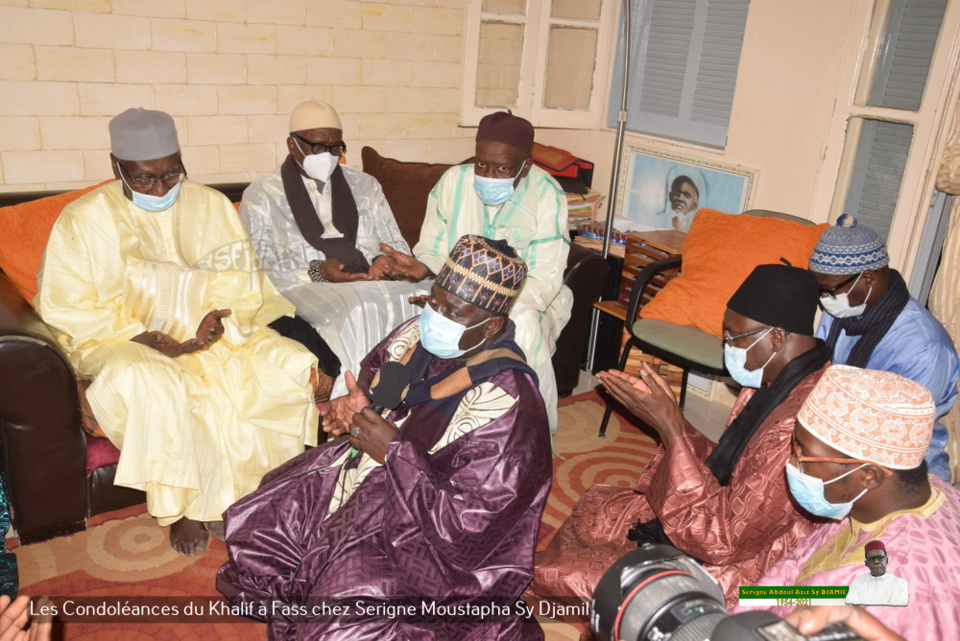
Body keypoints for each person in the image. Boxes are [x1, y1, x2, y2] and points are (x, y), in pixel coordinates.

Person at [217, 235, 553, 640]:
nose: (436, 315)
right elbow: (375, 379)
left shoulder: (508, 403)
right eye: (436, 300)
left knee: (336, 626)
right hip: (369, 471)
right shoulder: (418, 334)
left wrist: (394, 454)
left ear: (492, 325)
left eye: (454, 311)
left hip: (424, 538)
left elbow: (470, 527)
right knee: (262, 520)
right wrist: (353, 408)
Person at [35, 108, 320, 556]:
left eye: (172, 174)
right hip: (118, 339)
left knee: (279, 361)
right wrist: (142, 334)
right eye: (145, 179)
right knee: (157, 382)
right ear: (117, 167)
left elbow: (240, 281)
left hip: (209, 332)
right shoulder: (83, 218)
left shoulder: (207, 203)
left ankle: (246, 500)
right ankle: (184, 506)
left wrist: (214, 319)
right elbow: (66, 306)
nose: (162, 188)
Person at [532, 263, 830, 607]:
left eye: (734, 336)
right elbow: (730, 468)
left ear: (776, 336)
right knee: (599, 506)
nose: (727, 346)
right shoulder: (777, 381)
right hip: (724, 520)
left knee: (551, 573)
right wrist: (673, 421)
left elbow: (722, 542)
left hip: (746, 573)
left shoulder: (795, 425)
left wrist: (672, 430)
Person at [378, 111, 571, 433]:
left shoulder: (547, 194)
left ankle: (530, 430)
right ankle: (417, 419)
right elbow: (434, 248)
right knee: (420, 319)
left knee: (519, 328)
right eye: (482, 164)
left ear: (525, 167)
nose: (488, 175)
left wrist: (482, 310)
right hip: (455, 295)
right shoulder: (454, 181)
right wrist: (423, 266)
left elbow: (544, 280)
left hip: (526, 302)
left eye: (502, 169)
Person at [749, 365, 960, 639]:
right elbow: (795, 578)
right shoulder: (927, 491)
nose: (790, 463)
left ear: (868, 476)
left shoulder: (875, 590)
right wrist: (749, 599)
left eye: (803, 454)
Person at [239, 100, 427, 396]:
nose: (327, 155)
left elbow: (393, 242)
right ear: (292, 145)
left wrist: (383, 261)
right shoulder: (262, 194)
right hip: (302, 285)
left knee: (422, 297)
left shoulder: (365, 185)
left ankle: (409, 400)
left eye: (335, 147)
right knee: (359, 306)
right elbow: (260, 263)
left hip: (370, 281)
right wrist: (319, 270)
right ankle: (356, 400)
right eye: (317, 146)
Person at [808, 214, 960, 481]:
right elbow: (820, 373)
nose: (824, 300)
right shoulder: (844, 306)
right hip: (840, 440)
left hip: (900, 468)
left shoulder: (924, 347)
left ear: (867, 278)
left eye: (829, 291)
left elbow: (900, 435)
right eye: (820, 290)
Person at [845, 541, 909, 606]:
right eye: (871, 559)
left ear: (886, 560)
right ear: (866, 563)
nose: (876, 561)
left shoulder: (900, 584)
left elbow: (897, 611)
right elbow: (853, 608)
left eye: (880, 557)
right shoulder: (857, 582)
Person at [653, 166, 705, 232]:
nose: (680, 198)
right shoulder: (656, 221)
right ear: (670, 196)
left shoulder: (696, 230)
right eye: (677, 192)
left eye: (686, 195)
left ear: (695, 205)